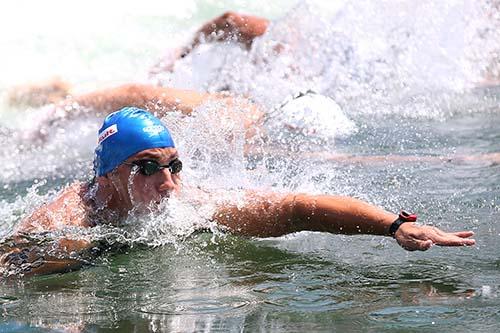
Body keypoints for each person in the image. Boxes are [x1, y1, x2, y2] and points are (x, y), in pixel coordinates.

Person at [0, 107, 476, 277]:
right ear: (107, 179)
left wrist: (393, 225)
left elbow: (292, 209)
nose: (167, 183)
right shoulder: (61, 225)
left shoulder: (188, 209)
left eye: (174, 166)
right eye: (146, 168)